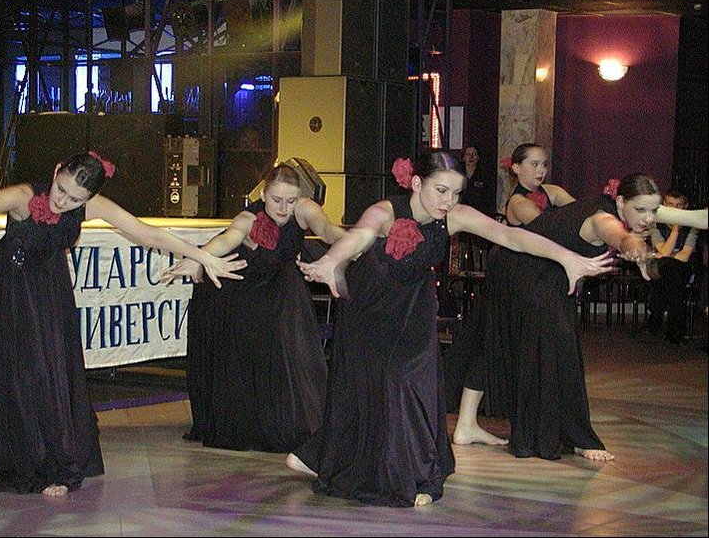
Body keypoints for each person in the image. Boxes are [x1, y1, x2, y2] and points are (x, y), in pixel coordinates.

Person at [286, 151, 614, 508]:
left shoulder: (454, 217)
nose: (448, 201)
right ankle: (329, 456)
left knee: (416, 385)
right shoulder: (385, 212)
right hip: (371, 310)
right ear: (416, 183)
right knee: (371, 389)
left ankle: (404, 469)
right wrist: (331, 260)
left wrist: (565, 257)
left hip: (413, 308)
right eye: (441, 191)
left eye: (456, 193)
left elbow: (512, 237)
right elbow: (359, 237)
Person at [0, 152, 246, 496]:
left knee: (49, 372)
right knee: (7, 372)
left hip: (49, 289)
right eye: (61, 190)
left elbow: (149, 235)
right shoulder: (24, 196)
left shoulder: (93, 206)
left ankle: (23, 456)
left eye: (75, 199)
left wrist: (202, 256)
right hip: (7, 289)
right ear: (56, 171)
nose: (62, 201)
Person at [446, 174, 709, 463]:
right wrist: (637, 251)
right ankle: (576, 437)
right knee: (558, 349)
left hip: (521, 265)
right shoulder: (603, 220)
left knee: (494, 339)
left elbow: (697, 217)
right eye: (642, 210)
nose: (649, 218)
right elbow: (620, 237)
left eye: (654, 211)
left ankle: (466, 425)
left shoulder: (633, 206)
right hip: (527, 270)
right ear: (621, 202)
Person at [161, 163, 345, 453]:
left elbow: (326, 229)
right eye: (276, 200)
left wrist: (352, 243)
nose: (283, 208)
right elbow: (227, 239)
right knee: (247, 355)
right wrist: (199, 257)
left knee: (292, 351)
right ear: (263, 194)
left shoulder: (304, 209)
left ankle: (285, 420)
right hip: (238, 290)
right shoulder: (248, 218)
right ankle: (250, 422)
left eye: (290, 200)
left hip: (278, 289)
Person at [647, 188, 701, 344]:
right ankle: (675, 329)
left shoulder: (693, 225)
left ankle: (656, 314)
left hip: (681, 268)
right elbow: (664, 251)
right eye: (670, 204)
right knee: (670, 269)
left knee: (671, 268)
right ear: (664, 204)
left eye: (679, 205)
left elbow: (684, 256)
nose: (674, 209)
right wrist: (676, 228)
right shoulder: (655, 224)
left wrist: (666, 254)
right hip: (662, 268)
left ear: (685, 206)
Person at [502, 143, 575, 227]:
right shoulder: (518, 203)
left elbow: (577, 210)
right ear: (517, 168)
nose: (541, 170)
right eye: (535, 164)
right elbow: (547, 228)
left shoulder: (552, 190)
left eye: (544, 165)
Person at [459, 145, 492, 216]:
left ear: (478, 158)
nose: (471, 157)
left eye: (474, 154)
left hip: (479, 214)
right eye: (468, 154)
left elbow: (488, 199)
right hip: (461, 213)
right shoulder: (457, 174)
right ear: (463, 157)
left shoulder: (484, 175)